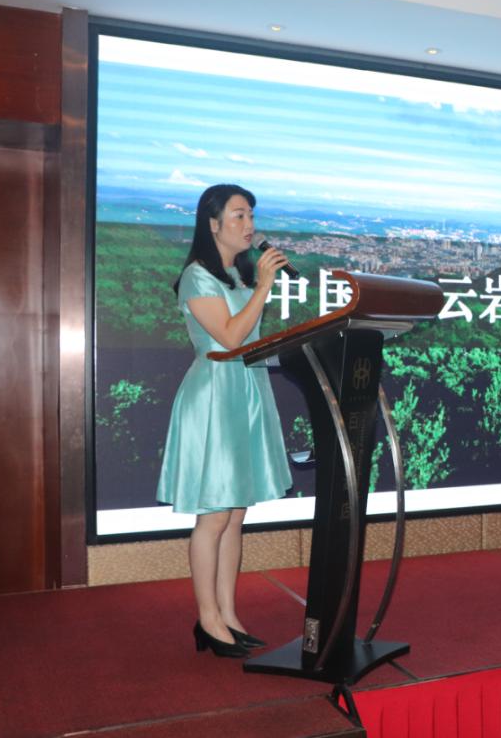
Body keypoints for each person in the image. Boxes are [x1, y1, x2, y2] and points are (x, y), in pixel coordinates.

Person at [157, 183, 294, 658]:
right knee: (215, 513)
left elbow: (250, 339)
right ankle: (207, 619)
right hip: (215, 394)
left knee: (236, 513)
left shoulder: (236, 276)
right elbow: (231, 337)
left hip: (246, 390)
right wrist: (264, 286)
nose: (249, 224)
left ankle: (229, 615)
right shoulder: (197, 277)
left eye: (251, 214)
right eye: (239, 215)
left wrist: (256, 286)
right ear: (212, 224)